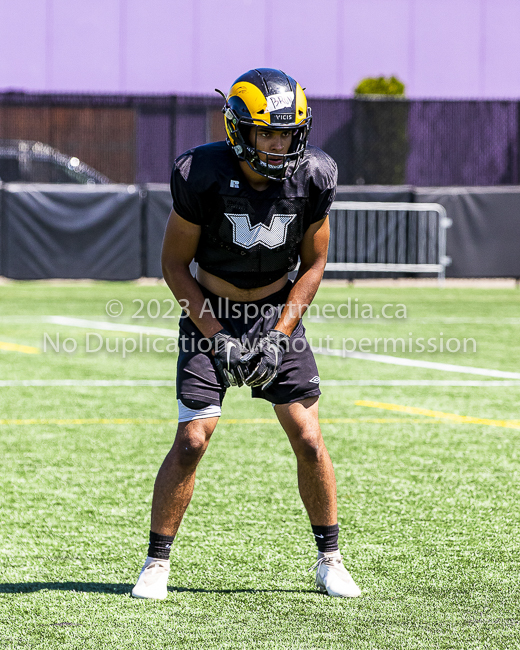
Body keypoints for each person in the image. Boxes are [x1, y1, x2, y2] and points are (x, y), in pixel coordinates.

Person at [132, 68, 361, 600]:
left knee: (307, 437)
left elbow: (314, 263)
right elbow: (173, 265)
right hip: (210, 310)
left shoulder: (314, 176)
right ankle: (156, 562)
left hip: (277, 312)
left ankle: (330, 558)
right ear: (239, 130)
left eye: (287, 133)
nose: (279, 145)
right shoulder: (201, 172)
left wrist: (280, 334)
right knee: (192, 440)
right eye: (267, 133)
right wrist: (216, 337)